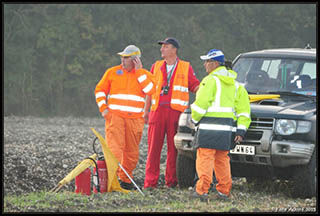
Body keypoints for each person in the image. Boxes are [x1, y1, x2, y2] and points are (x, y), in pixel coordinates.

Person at [190, 49, 251, 201]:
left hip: (208, 129)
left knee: (205, 158)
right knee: (222, 160)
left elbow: (201, 104)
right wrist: (241, 131)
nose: (205, 65)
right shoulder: (237, 86)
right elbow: (244, 112)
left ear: (215, 63)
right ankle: (224, 191)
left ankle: (201, 191)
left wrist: (194, 119)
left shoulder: (210, 81)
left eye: (207, 61)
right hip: (226, 131)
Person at [95, 45, 156, 190]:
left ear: (135, 60)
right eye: (122, 57)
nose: (122, 60)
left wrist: (139, 72)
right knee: (114, 150)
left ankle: (125, 180)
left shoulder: (144, 75)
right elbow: (99, 90)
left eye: (126, 58)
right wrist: (104, 109)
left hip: (135, 120)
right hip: (115, 118)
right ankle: (111, 180)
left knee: (131, 153)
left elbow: (150, 90)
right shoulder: (112, 72)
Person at [143, 37, 200, 189]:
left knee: (174, 151)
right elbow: (149, 90)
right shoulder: (155, 66)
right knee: (153, 150)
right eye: (162, 47)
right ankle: (150, 183)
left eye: (165, 47)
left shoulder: (185, 67)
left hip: (177, 114)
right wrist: (146, 111)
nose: (161, 49)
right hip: (157, 113)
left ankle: (171, 182)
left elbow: (195, 86)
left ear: (174, 49)